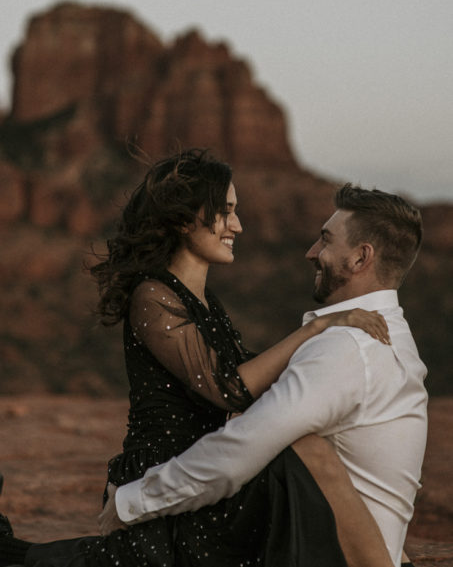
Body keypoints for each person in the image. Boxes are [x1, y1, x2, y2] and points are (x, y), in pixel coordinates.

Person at [0, 149, 397, 567]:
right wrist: (316, 328)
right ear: (185, 219)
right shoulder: (153, 296)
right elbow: (229, 388)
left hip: (204, 475)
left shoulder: (206, 302)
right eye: (225, 212)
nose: (238, 225)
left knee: (300, 455)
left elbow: (255, 379)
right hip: (164, 480)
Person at [97, 181, 428, 567]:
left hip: (332, 555)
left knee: (294, 445)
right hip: (349, 542)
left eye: (325, 240)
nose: (311, 252)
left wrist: (131, 502)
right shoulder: (392, 332)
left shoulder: (348, 348)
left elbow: (242, 447)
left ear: (359, 258)